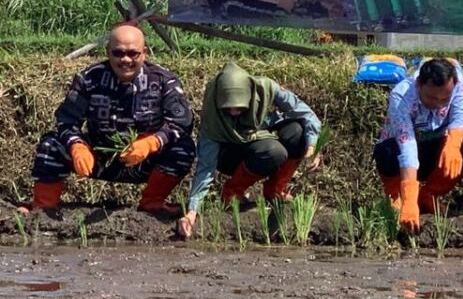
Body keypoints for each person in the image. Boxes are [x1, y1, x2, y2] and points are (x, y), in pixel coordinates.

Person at [22, 25, 195, 215]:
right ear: (108, 52)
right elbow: (66, 120)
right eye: (118, 53)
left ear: (144, 53)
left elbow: (181, 123)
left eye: (133, 53)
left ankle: (152, 203)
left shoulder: (164, 81)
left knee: (183, 148)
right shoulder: (89, 78)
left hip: (144, 160)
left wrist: (153, 142)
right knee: (51, 145)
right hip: (100, 158)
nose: (125, 59)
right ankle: (43, 208)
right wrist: (76, 145)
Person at [177, 62, 323, 238]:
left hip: (257, 138)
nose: (234, 111)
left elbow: (307, 114)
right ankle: (231, 193)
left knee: (297, 133)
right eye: (228, 108)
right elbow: (205, 166)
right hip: (230, 155)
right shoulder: (213, 117)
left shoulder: (266, 87)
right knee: (274, 151)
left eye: (240, 107)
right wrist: (192, 210)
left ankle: (275, 190)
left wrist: (312, 146)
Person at [374, 59, 463, 233]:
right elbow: (407, 144)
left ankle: (429, 194)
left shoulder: (457, 83)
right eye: (431, 97)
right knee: (386, 151)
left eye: (444, 99)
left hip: (433, 151)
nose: (438, 103)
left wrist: (453, 144)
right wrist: (409, 199)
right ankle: (397, 197)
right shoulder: (401, 96)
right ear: (418, 85)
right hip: (402, 156)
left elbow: (461, 119)